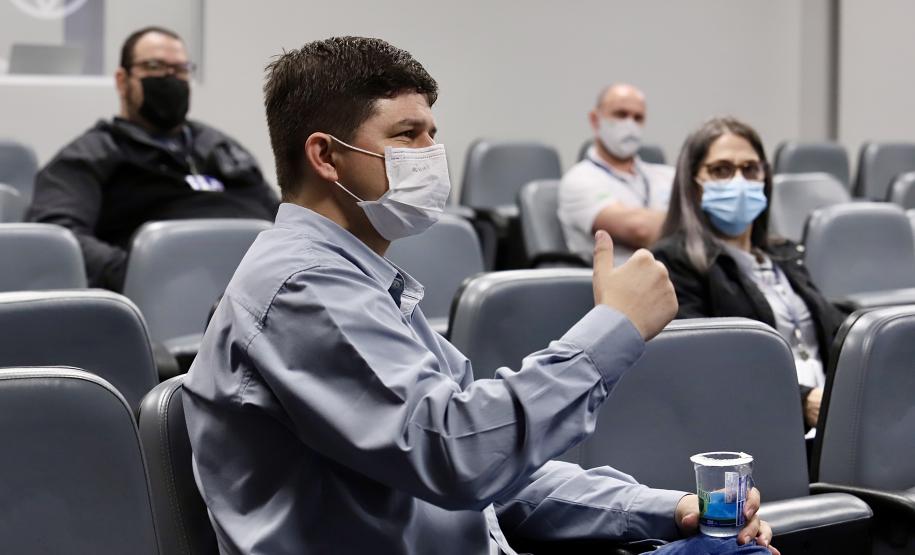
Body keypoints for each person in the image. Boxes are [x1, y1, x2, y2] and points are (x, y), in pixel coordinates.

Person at [182, 38, 776, 554]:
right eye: (407, 135)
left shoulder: (365, 285)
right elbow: (461, 455)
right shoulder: (302, 289)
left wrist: (665, 510)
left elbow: (503, 476)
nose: (431, 155)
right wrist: (614, 327)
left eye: (433, 134)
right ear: (326, 156)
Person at [27, 26, 279, 291]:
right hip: (163, 302)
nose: (170, 77)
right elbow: (58, 238)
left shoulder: (221, 147)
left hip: (260, 290)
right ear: (122, 80)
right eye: (155, 66)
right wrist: (144, 276)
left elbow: (282, 217)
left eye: (181, 69)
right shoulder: (88, 156)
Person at [652, 117, 848, 432]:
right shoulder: (673, 262)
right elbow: (707, 365)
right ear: (693, 184)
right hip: (755, 431)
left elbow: (834, 330)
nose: (739, 181)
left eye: (750, 169)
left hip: (829, 425)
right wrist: (801, 401)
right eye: (721, 170)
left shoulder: (785, 254)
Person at [559, 83, 675, 265]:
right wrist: (693, 220)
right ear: (595, 120)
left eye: (638, 118)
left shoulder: (667, 176)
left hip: (674, 283)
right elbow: (640, 230)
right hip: (614, 288)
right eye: (621, 114)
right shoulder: (579, 180)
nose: (630, 124)